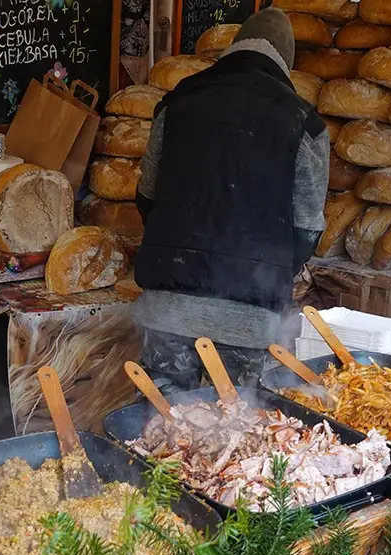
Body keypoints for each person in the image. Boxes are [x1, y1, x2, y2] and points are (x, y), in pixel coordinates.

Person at [130, 8, 330, 394]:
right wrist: (268, 268)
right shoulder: (304, 121)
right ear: (285, 63)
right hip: (251, 318)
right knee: (246, 425)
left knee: (158, 422)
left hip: (169, 308)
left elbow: (147, 195)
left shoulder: (178, 101)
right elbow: (307, 229)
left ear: (235, 48)